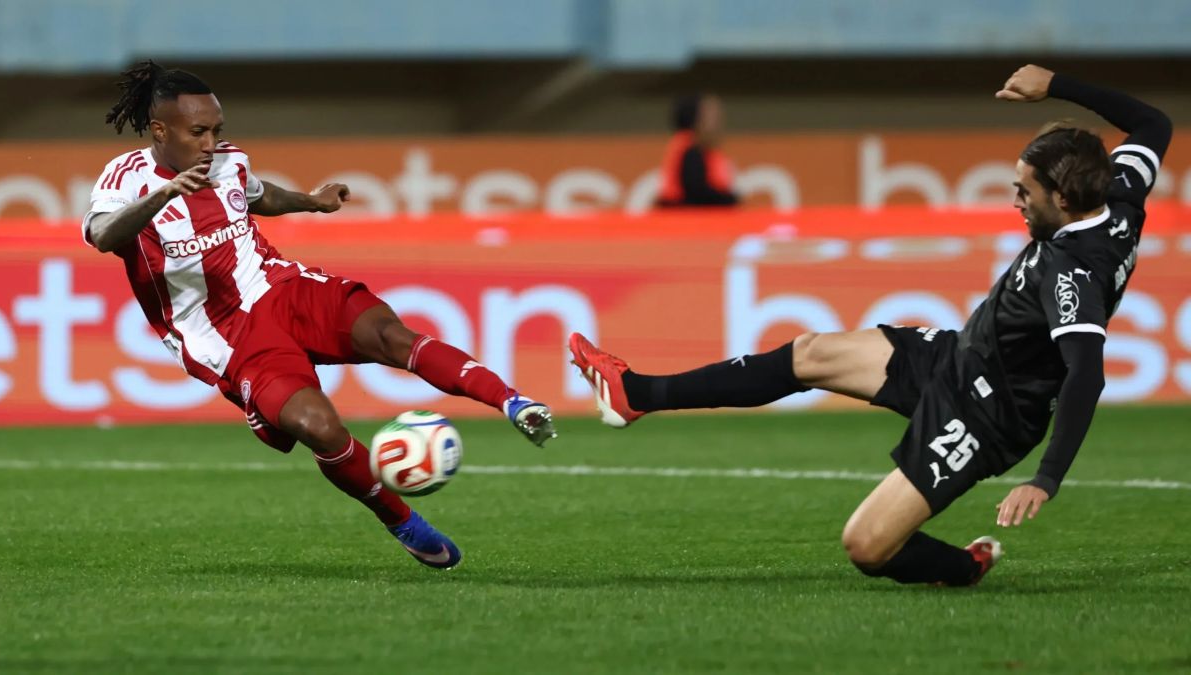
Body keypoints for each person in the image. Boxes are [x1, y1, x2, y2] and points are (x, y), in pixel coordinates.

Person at [571, 65, 1171, 586]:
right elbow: (1153, 124)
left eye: (1025, 191)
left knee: (866, 546)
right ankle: (636, 393)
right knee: (810, 352)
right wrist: (1056, 85)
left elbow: (1086, 374)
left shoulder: (1073, 275)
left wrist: (1046, 478)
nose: (1016, 201)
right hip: (959, 355)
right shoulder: (1118, 193)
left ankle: (964, 567)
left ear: (1062, 198)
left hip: (988, 416)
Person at [84, 60, 557, 571]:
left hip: (280, 286)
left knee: (390, 335)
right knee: (319, 427)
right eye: (198, 132)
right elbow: (103, 235)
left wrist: (311, 201)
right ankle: (403, 522)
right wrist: (164, 194)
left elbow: (258, 195)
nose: (210, 143)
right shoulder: (126, 178)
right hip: (228, 336)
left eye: (217, 130)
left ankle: (514, 403)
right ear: (160, 131)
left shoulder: (228, 161)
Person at [655, 94, 740, 207]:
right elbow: (695, 190)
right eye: (709, 116)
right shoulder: (690, 150)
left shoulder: (693, 146)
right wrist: (728, 200)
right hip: (682, 214)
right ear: (696, 119)